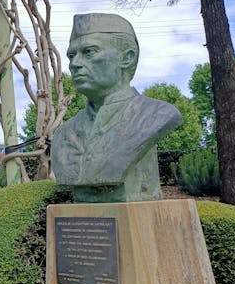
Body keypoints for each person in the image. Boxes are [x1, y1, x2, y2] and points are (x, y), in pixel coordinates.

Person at [50, 13, 183, 202]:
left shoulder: (157, 116)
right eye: (71, 55)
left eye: (89, 51)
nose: (74, 64)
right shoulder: (63, 133)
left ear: (127, 58)